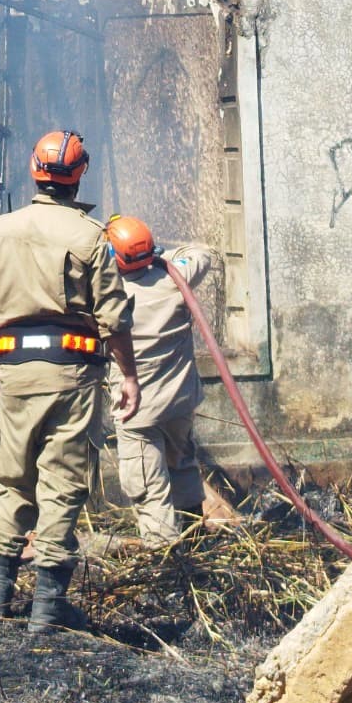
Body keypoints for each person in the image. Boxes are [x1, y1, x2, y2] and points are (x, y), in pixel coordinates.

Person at [0, 127, 136, 634]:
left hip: (16, 371)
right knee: (61, 483)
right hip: (73, 375)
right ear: (79, 175)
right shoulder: (90, 236)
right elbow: (113, 319)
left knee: (12, 477)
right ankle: (47, 613)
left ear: (34, 172)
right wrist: (129, 376)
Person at [103, 216, 235, 545]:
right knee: (183, 467)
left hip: (138, 412)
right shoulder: (174, 279)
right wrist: (162, 254)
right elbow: (200, 254)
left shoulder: (108, 295)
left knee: (149, 489)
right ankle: (195, 542)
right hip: (179, 403)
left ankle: (168, 568)